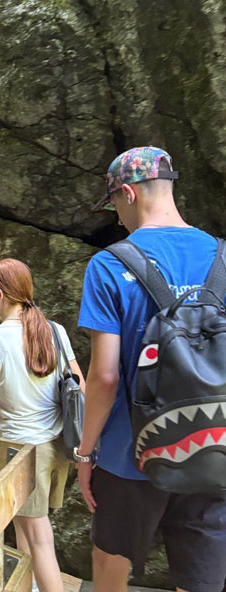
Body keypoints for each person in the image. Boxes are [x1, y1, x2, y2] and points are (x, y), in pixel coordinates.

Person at [78, 147, 226, 592]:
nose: (118, 218)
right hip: (215, 447)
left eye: (115, 206)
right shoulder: (223, 257)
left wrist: (86, 454)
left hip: (130, 455)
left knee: (110, 564)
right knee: (201, 578)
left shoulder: (109, 265)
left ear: (127, 192)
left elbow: (103, 378)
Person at [0, 258, 84, 592]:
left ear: (0, 294)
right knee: (24, 527)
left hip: (21, 453)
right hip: (56, 445)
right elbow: (80, 385)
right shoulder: (54, 331)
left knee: (39, 536)